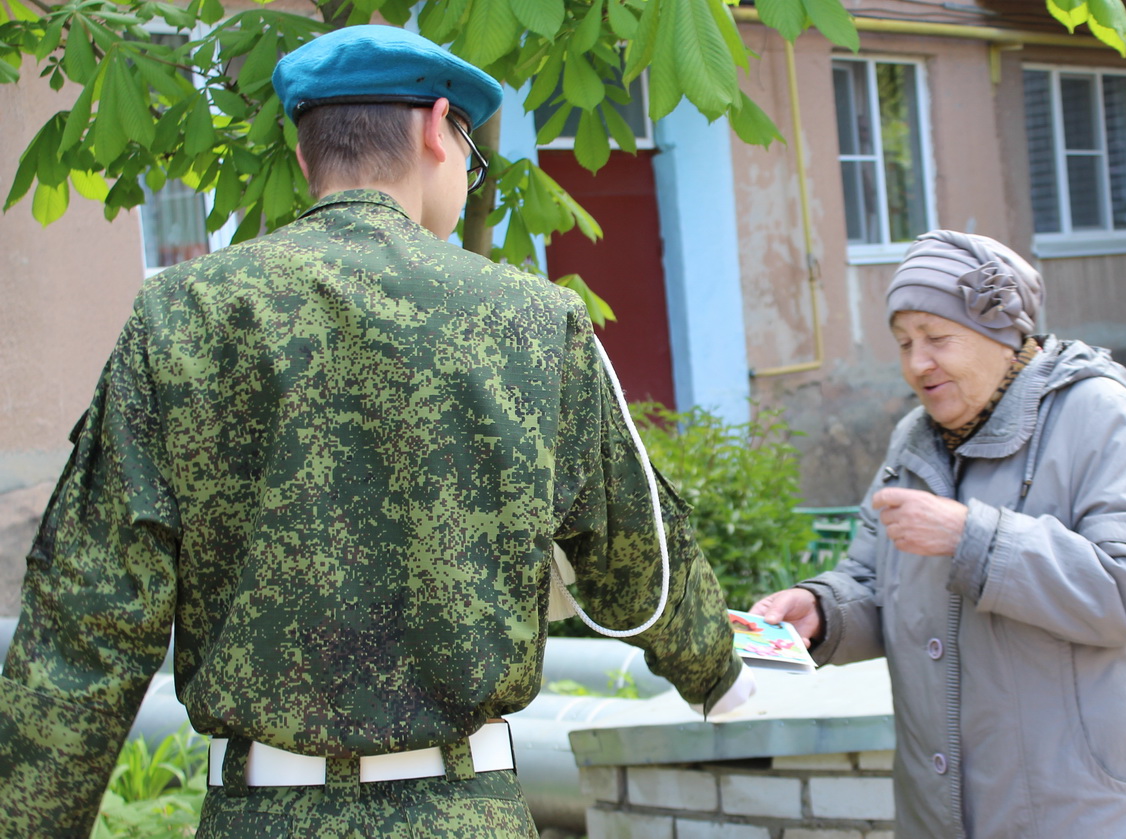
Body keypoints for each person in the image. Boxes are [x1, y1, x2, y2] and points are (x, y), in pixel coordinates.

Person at [0, 25, 750, 838]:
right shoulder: (533, 321)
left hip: (260, 819)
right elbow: (636, 554)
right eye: (472, 152)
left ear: (303, 158)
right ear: (439, 128)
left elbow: (86, 625)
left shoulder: (181, 317)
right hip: (467, 817)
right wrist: (724, 681)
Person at [753, 230, 1126, 838]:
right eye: (904, 343)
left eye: (937, 338)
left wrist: (971, 537)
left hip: (1090, 810)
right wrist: (822, 610)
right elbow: (876, 582)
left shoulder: (1099, 413)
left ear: (1004, 337)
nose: (916, 363)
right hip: (949, 810)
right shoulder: (914, 441)